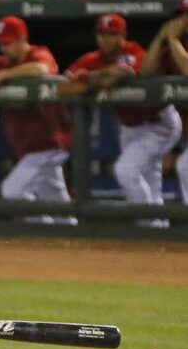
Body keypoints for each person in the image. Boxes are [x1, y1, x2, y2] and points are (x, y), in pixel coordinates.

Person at [60, 13, 181, 227]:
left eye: (112, 34)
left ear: (123, 35)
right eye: (102, 34)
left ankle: (149, 226)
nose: (105, 39)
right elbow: (63, 88)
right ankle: (159, 229)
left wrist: (88, 78)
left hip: (159, 122)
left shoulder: (133, 52)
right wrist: (95, 80)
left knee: (127, 170)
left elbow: (119, 75)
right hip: (129, 125)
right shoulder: (91, 59)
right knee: (149, 178)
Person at [0, 16, 75, 224]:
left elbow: (41, 69)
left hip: (51, 142)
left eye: (8, 43)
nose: (3, 48)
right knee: (58, 203)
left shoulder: (38, 53)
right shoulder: (3, 62)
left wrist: (3, 76)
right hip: (31, 146)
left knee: (12, 191)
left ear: (22, 39)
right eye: (0, 43)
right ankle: (71, 237)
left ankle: (44, 230)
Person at [140, 0, 188, 206]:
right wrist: (161, 39)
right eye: (180, 16)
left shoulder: (176, 44)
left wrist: (172, 39)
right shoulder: (172, 48)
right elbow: (146, 71)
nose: (181, 21)